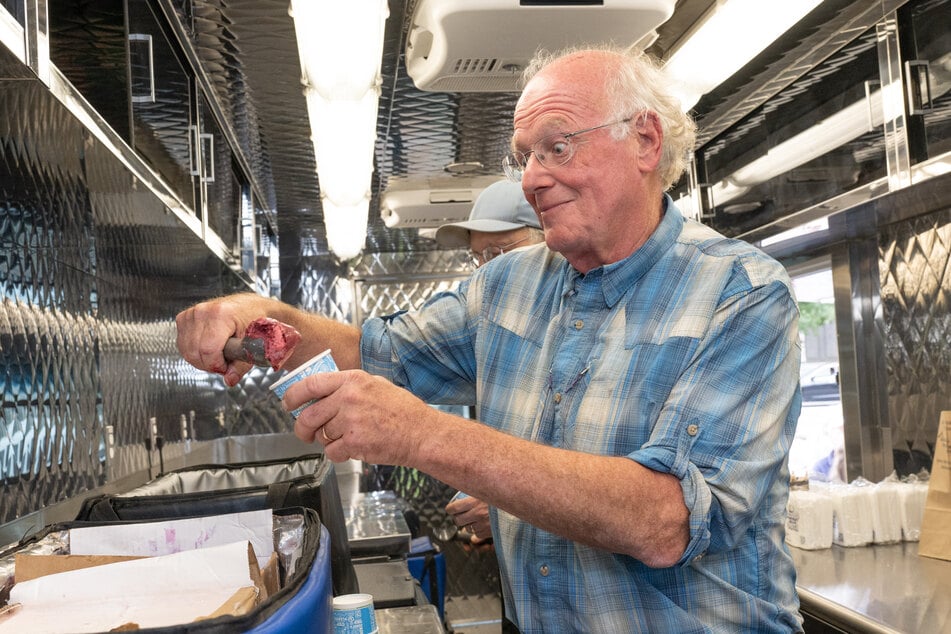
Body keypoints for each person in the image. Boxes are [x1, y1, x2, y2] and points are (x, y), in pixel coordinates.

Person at [176, 44, 804, 633]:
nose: (531, 179)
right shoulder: (508, 287)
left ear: (644, 141)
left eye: (557, 147)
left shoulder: (740, 293)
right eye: (525, 155)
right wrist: (254, 316)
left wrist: (424, 434)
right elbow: (371, 352)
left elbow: (666, 521)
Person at [436, 178, 545, 546]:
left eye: (497, 253)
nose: (485, 272)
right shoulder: (497, 336)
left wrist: (509, 509)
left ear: (549, 240)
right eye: (477, 258)